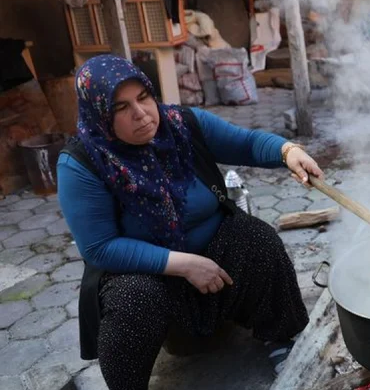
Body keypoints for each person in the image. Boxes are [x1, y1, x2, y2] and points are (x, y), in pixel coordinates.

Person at [57, 54, 323, 390]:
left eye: (143, 97)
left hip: (213, 253)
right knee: (133, 299)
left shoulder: (182, 125)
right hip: (145, 275)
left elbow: (246, 143)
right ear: (99, 115)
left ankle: (280, 337)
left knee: (257, 239)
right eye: (121, 108)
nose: (141, 113)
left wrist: (287, 151)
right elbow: (99, 247)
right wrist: (184, 264)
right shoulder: (83, 163)